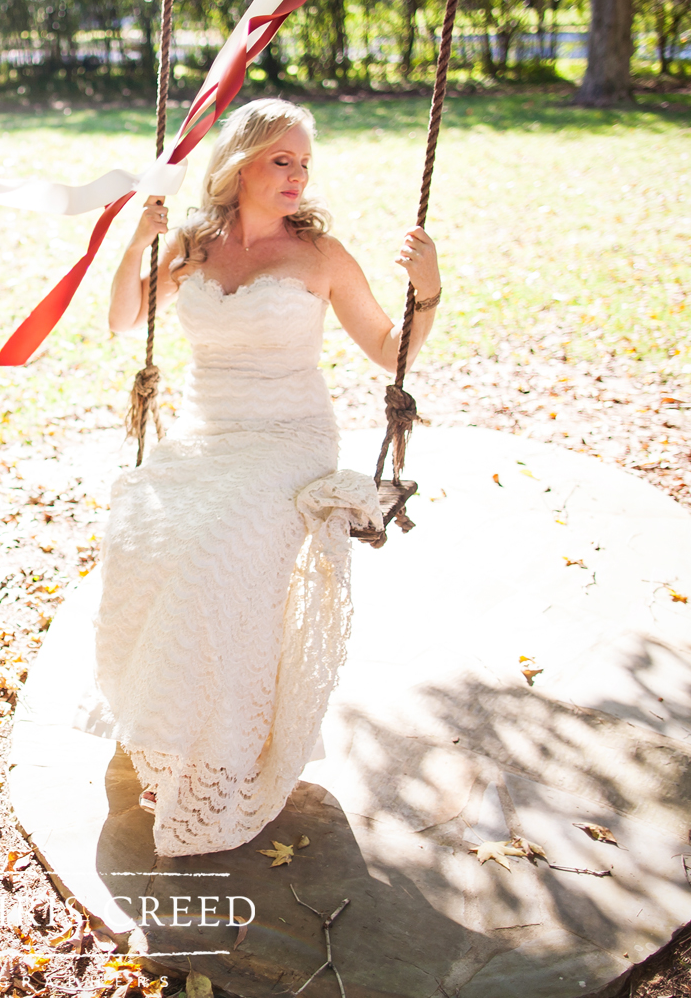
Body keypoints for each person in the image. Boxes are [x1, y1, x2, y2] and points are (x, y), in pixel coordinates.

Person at [70, 97, 441, 858]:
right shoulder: (193, 243)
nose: (298, 175)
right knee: (139, 530)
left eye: (304, 162)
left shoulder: (320, 256)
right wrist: (135, 243)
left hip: (289, 438)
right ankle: (162, 726)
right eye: (283, 160)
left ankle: (217, 750)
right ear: (241, 165)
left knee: (214, 551)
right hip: (209, 436)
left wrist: (428, 290)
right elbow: (121, 319)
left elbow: (387, 344)